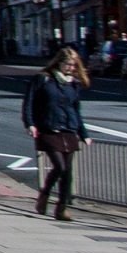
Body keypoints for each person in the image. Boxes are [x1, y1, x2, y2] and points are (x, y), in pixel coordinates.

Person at [23, 47, 90, 221]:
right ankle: (44, 194)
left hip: (68, 130)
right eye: (68, 64)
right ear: (59, 62)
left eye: (74, 65)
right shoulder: (43, 79)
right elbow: (29, 102)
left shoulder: (73, 84)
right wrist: (30, 123)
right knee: (59, 167)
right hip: (49, 128)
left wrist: (84, 133)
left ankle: (61, 208)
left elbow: (76, 110)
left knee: (67, 172)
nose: (71, 68)